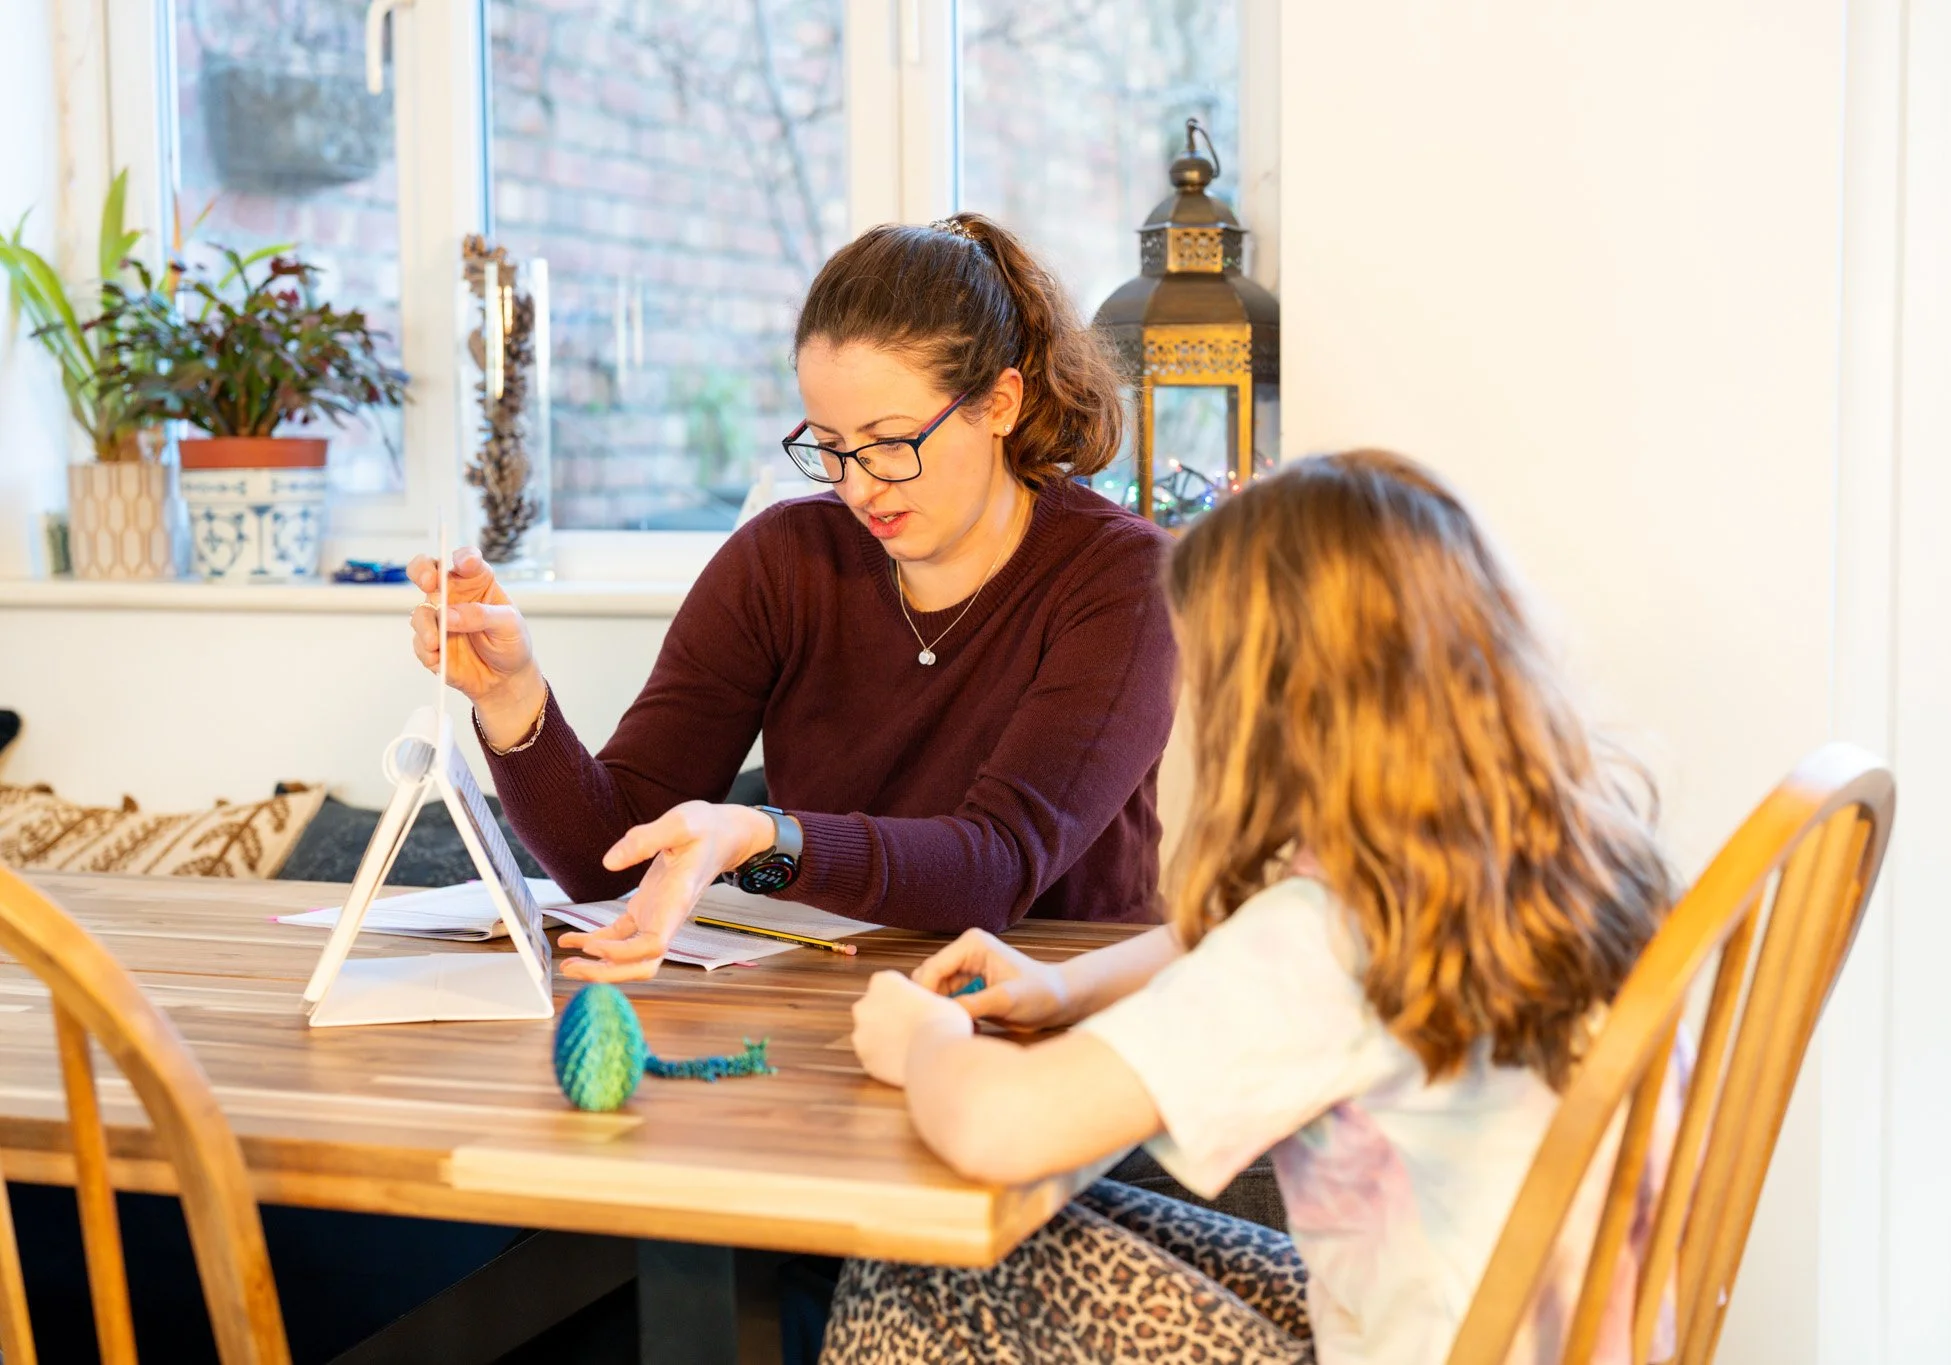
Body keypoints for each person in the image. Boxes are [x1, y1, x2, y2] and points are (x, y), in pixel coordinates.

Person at [832, 450, 1682, 1363]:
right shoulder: (1552, 855)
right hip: (1505, 1332)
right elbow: (1262, 926)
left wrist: (926, 1043)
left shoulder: (1329, 943)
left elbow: (1001, 1124)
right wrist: (1067, 986)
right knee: (1004, 1241)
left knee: (909, 1270)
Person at [410, 213, 1176, 982]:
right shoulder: (784, 561)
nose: (860, 486)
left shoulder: (1125, 578)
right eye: (832, 447)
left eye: (889, 442)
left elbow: (999, 865)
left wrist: (763, 837)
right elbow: (610, 860)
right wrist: (513, 698)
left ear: (1001, 403)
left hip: (1059, 1002)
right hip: (830, 989)